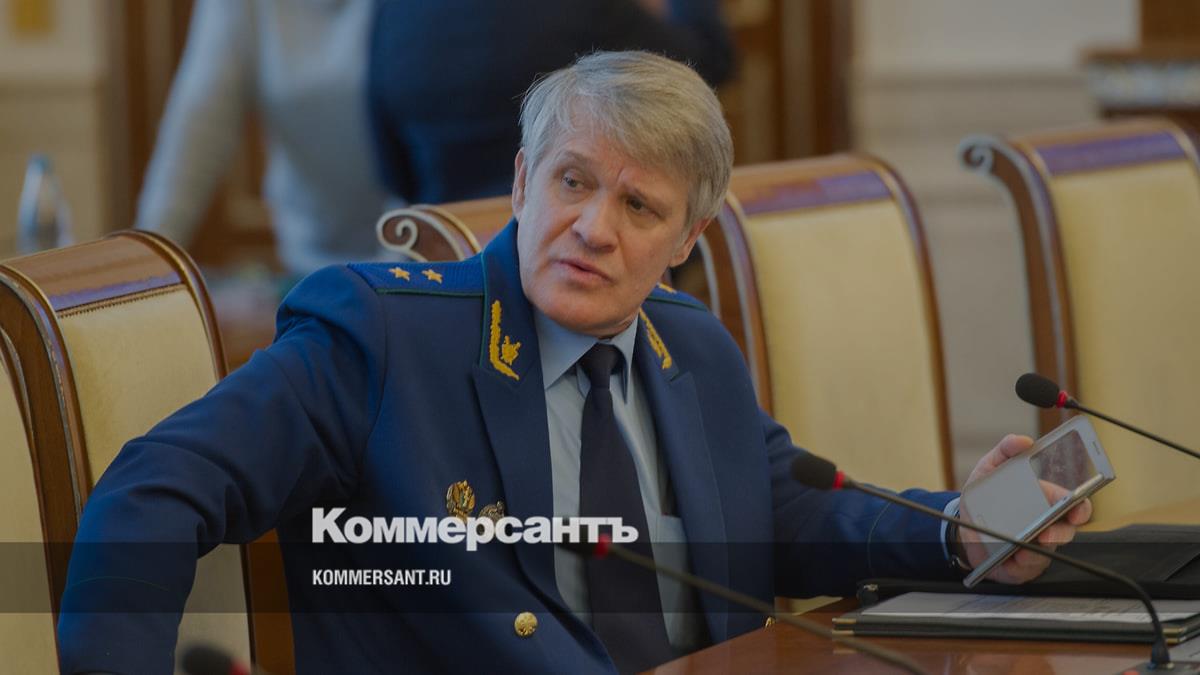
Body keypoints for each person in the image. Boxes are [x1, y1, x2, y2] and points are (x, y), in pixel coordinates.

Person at [58, 51, 1089, 674]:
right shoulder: (382, 338)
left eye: (638, 205)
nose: (594, 227)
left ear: (686, 238)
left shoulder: (691, 346)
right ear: (521, 183)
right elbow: (154, 491)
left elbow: (783, 512)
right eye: (572, 182)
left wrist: (961, 529)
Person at [368, 0, 734, 205]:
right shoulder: (583, 8)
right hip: (582, 258)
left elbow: (390, 167)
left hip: (441, 255)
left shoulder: (394, 11)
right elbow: (708, 60)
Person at [136, 0, 393, 274]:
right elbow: (197, 128)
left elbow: (425, 137)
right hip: (309, 255)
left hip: (411, 257)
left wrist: (394, 274)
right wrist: (145, 267)